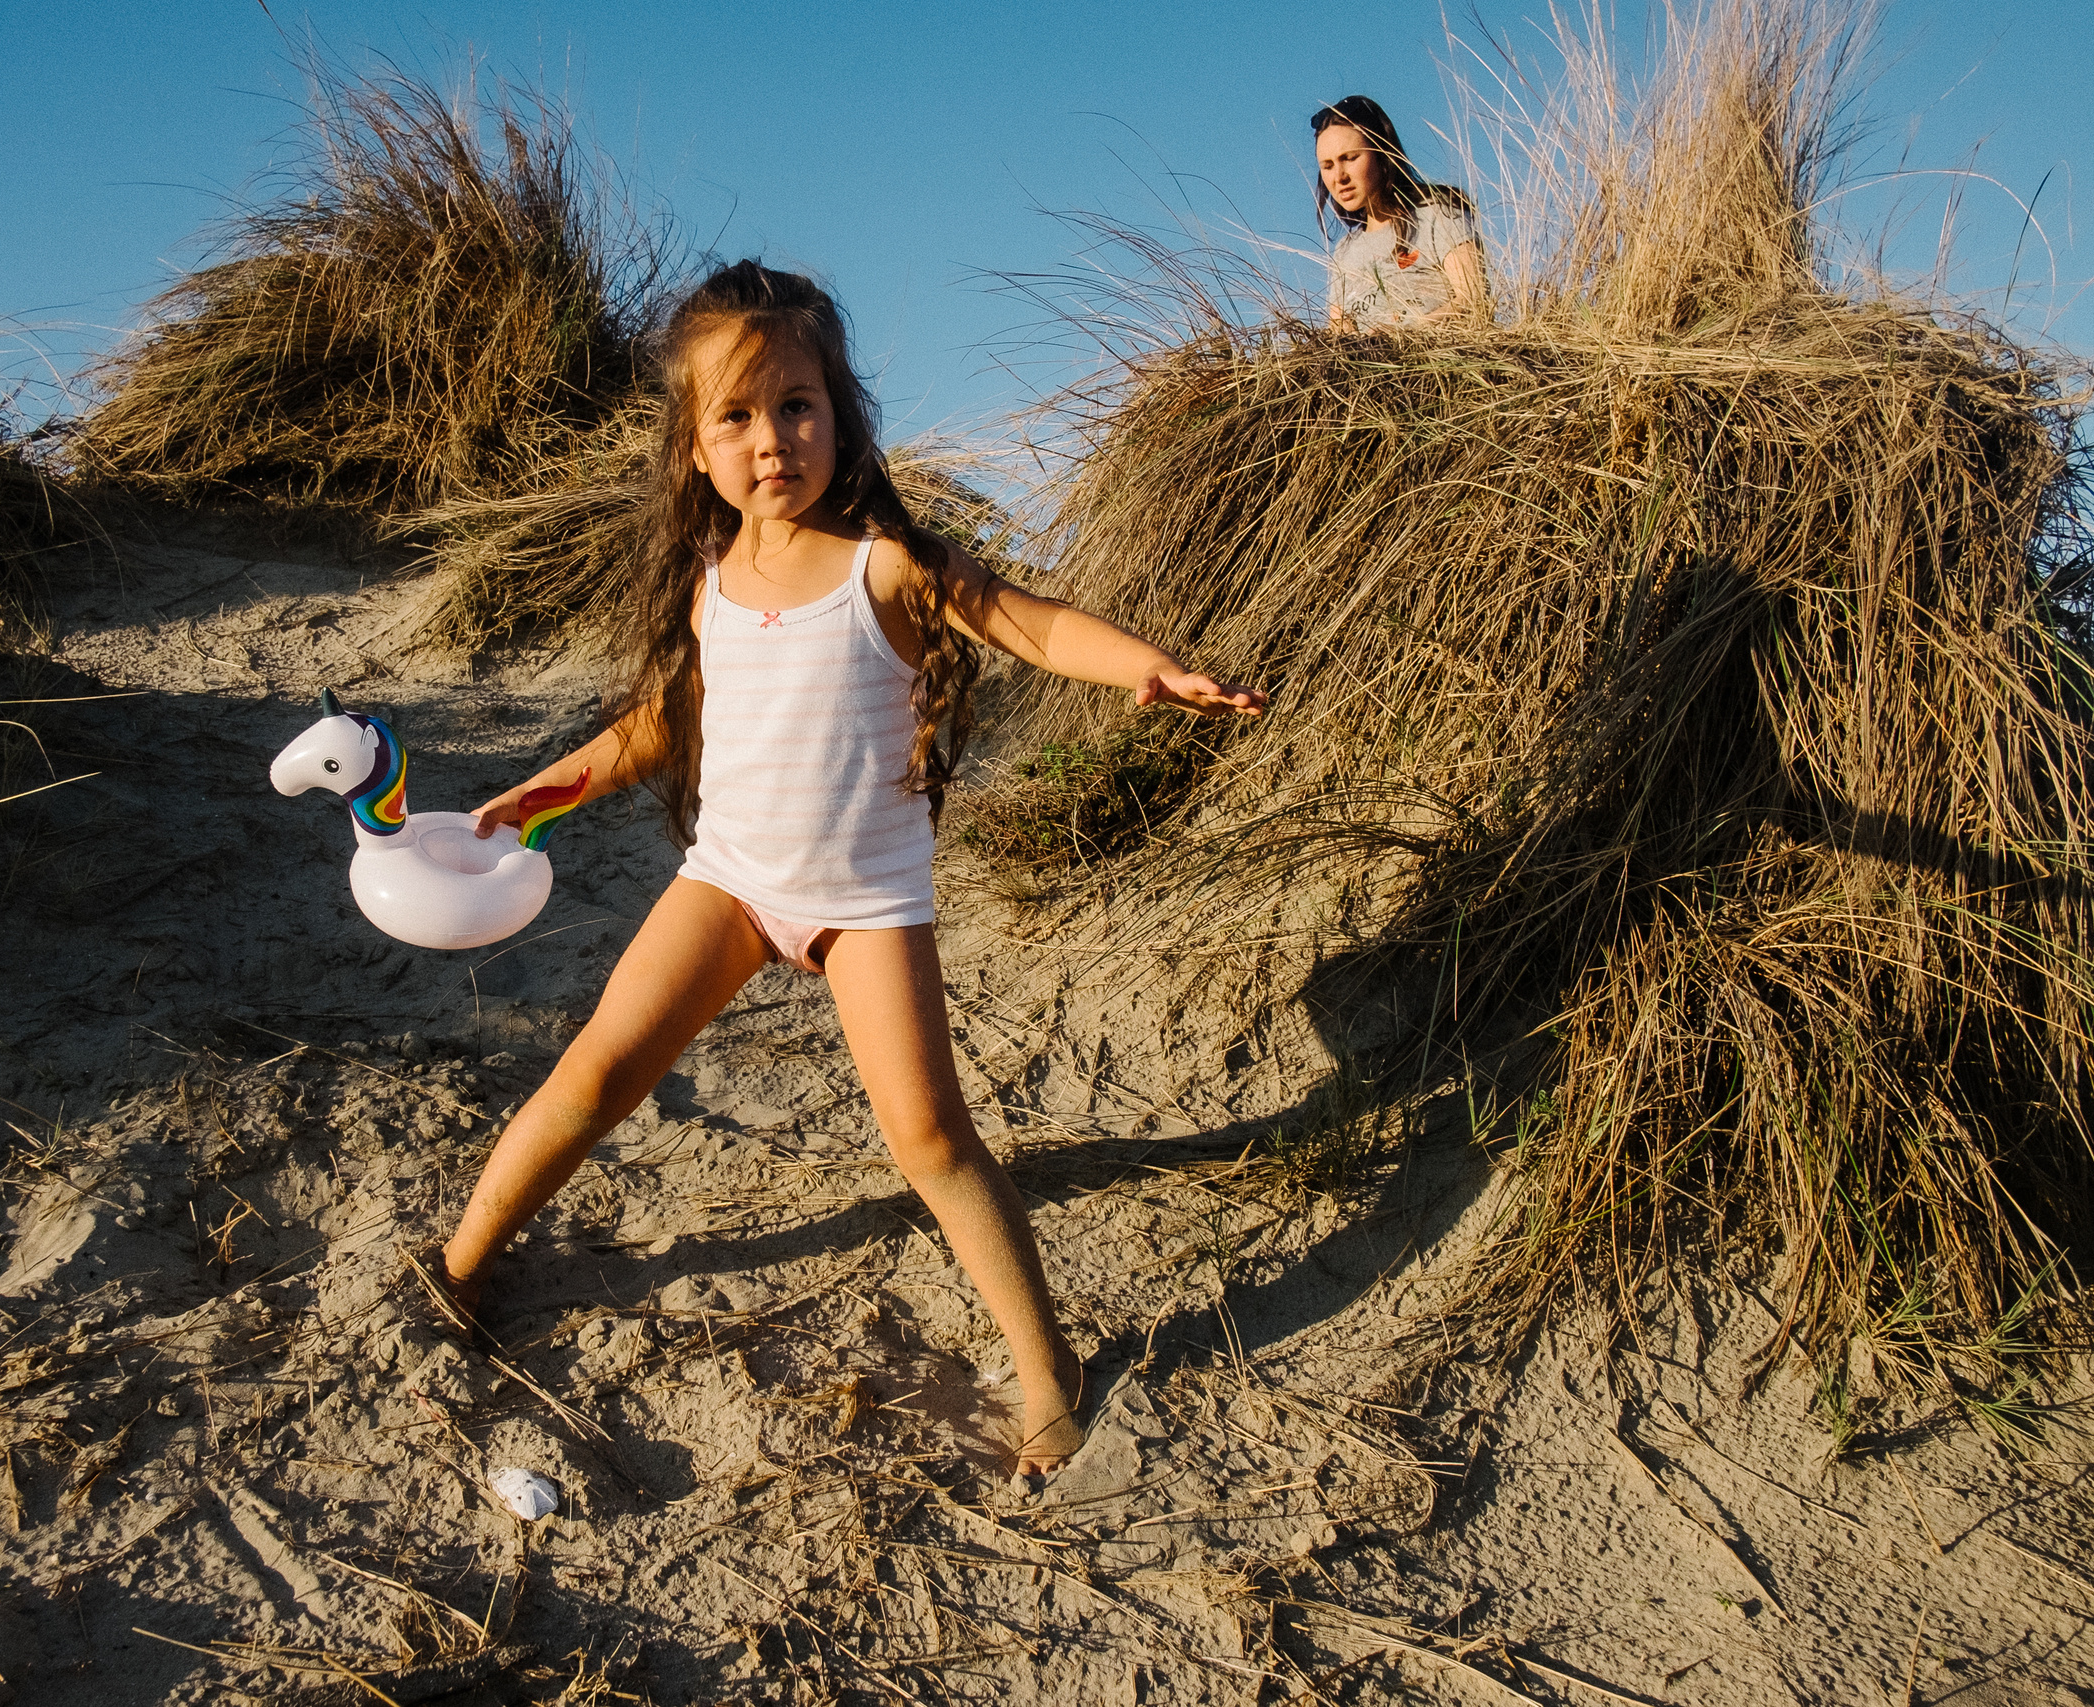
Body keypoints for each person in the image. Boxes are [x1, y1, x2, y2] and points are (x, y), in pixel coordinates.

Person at [429, 260, 1264, 1476]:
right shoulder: (714, 584)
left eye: (797, 406)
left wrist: (1146, 665)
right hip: (729, 882)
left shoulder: (883, 563)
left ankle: (1048, 1366)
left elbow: (1024, 616)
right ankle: (457, 1268)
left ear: (839, 413)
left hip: (866, 901)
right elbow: (659, 725)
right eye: (735, 415)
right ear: (695, 446)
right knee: (595, 1069)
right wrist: (540, 793)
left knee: (929, 1139)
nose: (771, 439)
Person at [1313, 95, 1488, 331]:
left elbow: (1475, 301)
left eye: (1350, 158)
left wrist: (1403, 336)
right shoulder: (1345, 251)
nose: (1339, 177)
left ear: (1382, 154)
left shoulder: (1439, 216)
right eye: (1328, 165)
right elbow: (1336, 327)